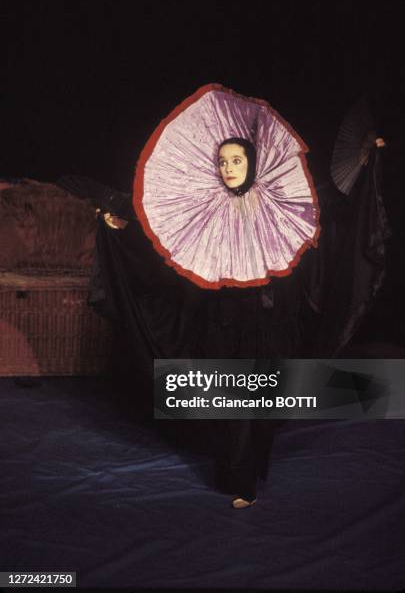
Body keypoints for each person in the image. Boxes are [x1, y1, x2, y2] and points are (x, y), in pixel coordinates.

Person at [56, 86, 390, 509]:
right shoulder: (205, 206)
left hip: (272, 323)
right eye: (223, 161)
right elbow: (151, 224)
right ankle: (240, 477)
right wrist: (116, 223)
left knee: (261, 407)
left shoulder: (283, 199)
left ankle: (248, 468)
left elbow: (336, 204)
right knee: (231, 406)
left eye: (237, 160)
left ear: (252, 162)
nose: (229, 167)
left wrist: (367, 159)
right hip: (223, 322)